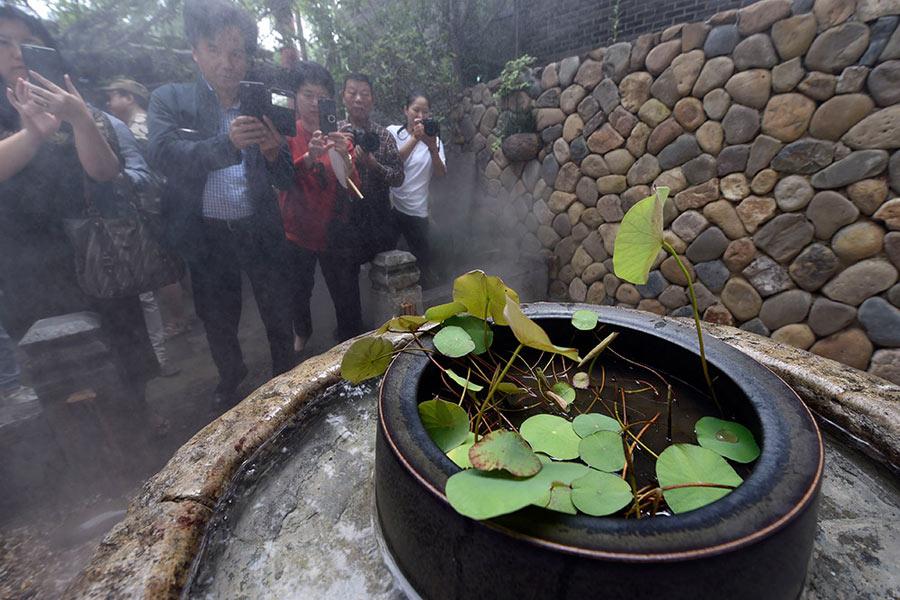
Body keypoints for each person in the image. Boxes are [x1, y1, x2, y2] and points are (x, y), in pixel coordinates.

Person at [0, 6, 158, 399]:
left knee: (123, 359)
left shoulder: (72, 101)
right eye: (4, 43)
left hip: (97, 250)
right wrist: (32, 135)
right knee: (64, 381)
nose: (17, 53)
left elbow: (105, 172)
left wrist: (80, 119)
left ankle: (140, 414)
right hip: (29, 267)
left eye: (28, 43)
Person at [147, 0, 295, 405]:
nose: (227, 63)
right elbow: (162, 155)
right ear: (195, 51)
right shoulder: (172, 100)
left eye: (237, 53)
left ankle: (286, 375)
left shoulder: (260, 104)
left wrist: (272, 153)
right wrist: (225, 143)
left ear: (246, 57)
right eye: (214, 49)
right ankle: (231, 376)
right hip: (208, 233)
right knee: (217, 316)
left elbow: (285, 178)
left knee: (276, 306)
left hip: (258, 226)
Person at [278, 61, 361, 352]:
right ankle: (302, 330)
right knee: (299, 290)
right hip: (296, 231)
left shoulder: (339, 137)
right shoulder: (286, 134)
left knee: (345, 293)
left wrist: (346, 158)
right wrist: (308, 158)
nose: (315, 103)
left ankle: (350, 343)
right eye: (308, 95)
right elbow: (280, 180)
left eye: (322, 97)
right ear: (295, 97)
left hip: (333, 231)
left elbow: (353, 186)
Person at [339, 73, 404, 265]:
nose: (358, 99)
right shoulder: (335, 132)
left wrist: (375, 166)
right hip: (344, 215)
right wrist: (338, 150)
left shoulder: (383, 135)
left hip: (379, 216)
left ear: (372, 99)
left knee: (386, 271)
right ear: (343, 97)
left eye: (365, 94)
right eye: (352, 93)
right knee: (347, 273)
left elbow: (399, 177)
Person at [387, 91, 446, 286]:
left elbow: (441, 173)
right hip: (392, 207)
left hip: (418, 211)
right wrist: (414, 138)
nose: (420, 116)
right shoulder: (393, 133)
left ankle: (424, 298)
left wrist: (431, 147)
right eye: (416, 110)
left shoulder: (435, 140)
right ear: (406, 110)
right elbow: (393, 161)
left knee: (423, 262)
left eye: (425, 112)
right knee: (389, 260)